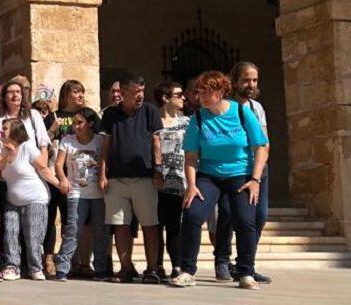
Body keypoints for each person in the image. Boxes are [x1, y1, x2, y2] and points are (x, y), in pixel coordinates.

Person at [172, 70, 269, 290]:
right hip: (209, 175)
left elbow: (260, 147)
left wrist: (255, 179)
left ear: (221, 91)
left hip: (240, 174)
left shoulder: (242, 113)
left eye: (207, 92)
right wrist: (192, 185)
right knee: (192, 214)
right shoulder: (198, 118)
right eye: (199, 93)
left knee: (245, 220)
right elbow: (190, 157)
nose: (202, 97)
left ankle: (246, 273)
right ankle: (187, 271)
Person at [97, 74, 162, 284]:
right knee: (120, 224)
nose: (140, 96)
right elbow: (105, 146)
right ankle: (125, 268)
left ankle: (152, 268)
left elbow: (156, 142)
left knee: (150, 223)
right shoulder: (110, 115)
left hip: (144, 177)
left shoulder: (150, 111)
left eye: (142, 91)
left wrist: (158, 169)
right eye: (136, 92)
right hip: (116, 179)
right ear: (123, 93)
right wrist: (102, 173)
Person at [214, 61, 272, 284]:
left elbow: (264, 141)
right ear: (235, 81)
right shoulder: (224, 107)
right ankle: (222, 259)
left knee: (259, 216)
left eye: (254, 80)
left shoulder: (257, 108)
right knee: (228, 213)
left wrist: (261, 166)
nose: (251, 84)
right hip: (232, 169)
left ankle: (246, 264)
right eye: (246, 80)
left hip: (257, 168)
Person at [0, 118, 60, 281]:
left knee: (33, 235)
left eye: (6, 128)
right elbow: (0, 169)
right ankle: (12, 267)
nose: (2, 131)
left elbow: (44, 169)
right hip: (13, 199)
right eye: (2, 128)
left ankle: (36, 268)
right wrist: (8, 155)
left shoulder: (28, 147)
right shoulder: (2, 150)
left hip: (35, 198)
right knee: (9, 233)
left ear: (16, 131)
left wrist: (60, 185)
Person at [53, 107, 110, 281]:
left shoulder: (100, 140)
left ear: (90, 123)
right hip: (76, 192)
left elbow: (106, 160)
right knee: (73, 230)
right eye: (74, 123)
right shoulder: (67, 141)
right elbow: (58, 164)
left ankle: (101, 268)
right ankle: (62, 267)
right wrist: (63, 179)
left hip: (98, 193)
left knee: (100, 231)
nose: (76, 127)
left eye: (80, 123)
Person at [45, 80, 87, 274]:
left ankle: (72, 259)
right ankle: (49, 259)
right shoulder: (54, 116)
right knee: (51, 217)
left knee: (72, 219)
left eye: (82, 92)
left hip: (78, 175)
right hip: (55, 174)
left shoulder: (87, 115)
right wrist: (53, 128)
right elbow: (42, 142)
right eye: (76, 92)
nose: (80, 95)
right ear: (66, 95)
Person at [154, 80, 189, 280]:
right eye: (178, 94)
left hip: (178, 180)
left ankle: (178, 265)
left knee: (175, 225)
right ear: (165, 98)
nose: (183, 98)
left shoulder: (187, 122)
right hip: (156, 180)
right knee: (156, 224)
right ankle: (157, 264)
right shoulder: (153, 121)